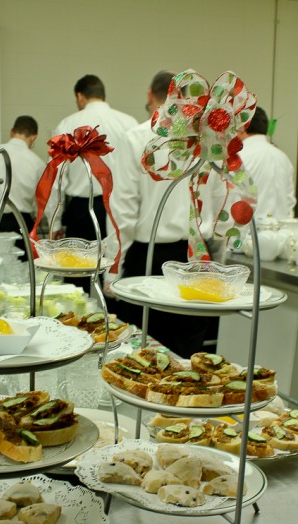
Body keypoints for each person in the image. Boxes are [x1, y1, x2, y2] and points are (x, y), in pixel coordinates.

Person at [104, 70, 225, 358]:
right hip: (196, 258)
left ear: (151, 95)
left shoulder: (136, 137)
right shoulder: (207, 137)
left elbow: (123, 209)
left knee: (141, 356)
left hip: (148, 260)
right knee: (188, 357)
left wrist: (113, 269)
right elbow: (219, 203)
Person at [47, 74, 138, 291]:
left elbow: (56, 179)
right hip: (120, 209)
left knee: (78, 283)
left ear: (80, 96)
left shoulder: (67, 124)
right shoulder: (130, 123)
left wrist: (54, 222)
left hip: (82, 212)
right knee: (117, 281)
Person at [0, 115, 47, 257]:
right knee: (21, 273)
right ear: (33, 137)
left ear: (12, 131)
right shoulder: (38, 163)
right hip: (20, 222)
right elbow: (43, 200)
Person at [238, 106, 296, 221]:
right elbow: (289, 203)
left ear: (242, 127)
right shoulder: (283, 158)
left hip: (250, 235)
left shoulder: (239, 158)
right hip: (283, 234)